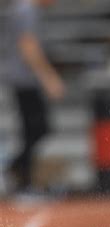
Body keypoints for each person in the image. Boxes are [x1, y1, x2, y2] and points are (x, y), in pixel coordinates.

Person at [4, 0, 65, 192]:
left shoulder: (25, 10)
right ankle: (18, 172)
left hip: (23, 78)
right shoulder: (26, 11)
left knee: (34, 129)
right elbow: (28, 46)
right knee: (36, 128)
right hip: (24, 79)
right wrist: (48, 77)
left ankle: (21, 174)